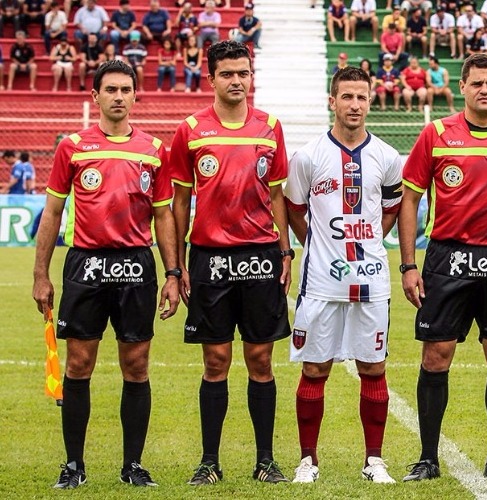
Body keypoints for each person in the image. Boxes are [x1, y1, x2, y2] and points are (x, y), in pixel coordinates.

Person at [32, 59, 180, 490]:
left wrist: (172, 273)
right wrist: (41, 274)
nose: (118, 96)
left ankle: (132, 465)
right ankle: (73, 465)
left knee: (136, 365)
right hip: (86, 263)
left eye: (125, 89)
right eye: (110, 89)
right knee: (79, 364)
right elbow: (53, 212)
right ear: (95, 96)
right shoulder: (72, 146)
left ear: (136, 96)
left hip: (136, 264)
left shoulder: (154, 148)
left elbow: (164, 215)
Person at [399, 53, 487, 482]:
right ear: (462, 87)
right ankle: (427, 457)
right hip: (447, 258)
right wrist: (408, 264)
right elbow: (409, 199)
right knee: (436, 356)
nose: (484, 90)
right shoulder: (436, 134)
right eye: (477, 83)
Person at [167, 40, 292, 486]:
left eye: (244, 73)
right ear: (212, 78)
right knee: (216, 361)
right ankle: (209, 461)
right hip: (209, 258)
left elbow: (277, 194)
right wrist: (178, 265)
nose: (237, 81)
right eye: (228, 74)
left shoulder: (270, 126)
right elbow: (180, 200)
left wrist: (285, 251)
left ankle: (265, 461)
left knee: (261, 360)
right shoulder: (190, 129)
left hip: (260, 255)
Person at [284, 66, 402, 485]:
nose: (355, 105)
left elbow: (391, 207)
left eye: (362, 97)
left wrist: (368, 242)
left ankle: (374, 460)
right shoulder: (309, 156)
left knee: (373, 369)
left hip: (372, 282)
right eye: (347, 97)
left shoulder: (387, 157)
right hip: (320, 283)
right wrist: (318, 244)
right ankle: (307, 461)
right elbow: (294, 209)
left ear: (370, 102)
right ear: (332, 101)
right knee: (315, 370)